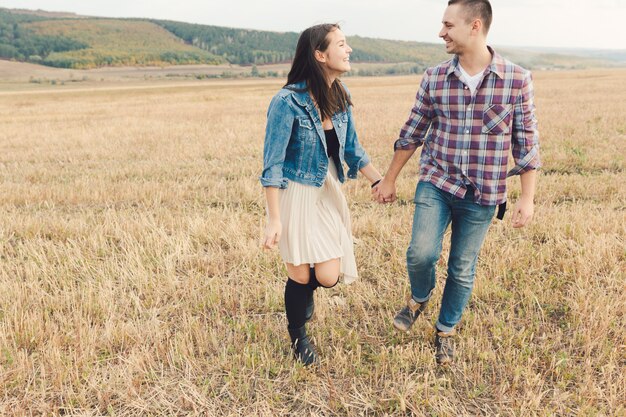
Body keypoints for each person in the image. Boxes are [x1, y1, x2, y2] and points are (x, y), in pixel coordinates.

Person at [373, 0, 540, 365]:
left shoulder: (516, 80)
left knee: (462, 267)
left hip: (483, 192)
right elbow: (412, 132)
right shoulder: (434, 77)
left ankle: (445, 330)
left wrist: (527, 199)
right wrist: (389, 179)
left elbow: (525, 144)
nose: (441, 32)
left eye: (448, 25)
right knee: (421, 253)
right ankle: (419, 296)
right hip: (436, 180)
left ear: (474, 26)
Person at [260, 24, 383, 366]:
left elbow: (354, 151)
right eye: (342, 44)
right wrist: (274, 218)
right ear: (320, 55)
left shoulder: (340, 97)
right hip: (295, 191)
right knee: (299, 274)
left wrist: (379, 181)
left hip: (327, 189)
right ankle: (298, 336)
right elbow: (272, 163)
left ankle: (306, 294)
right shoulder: (286, 102)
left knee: (328, 275)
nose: (349, 50)